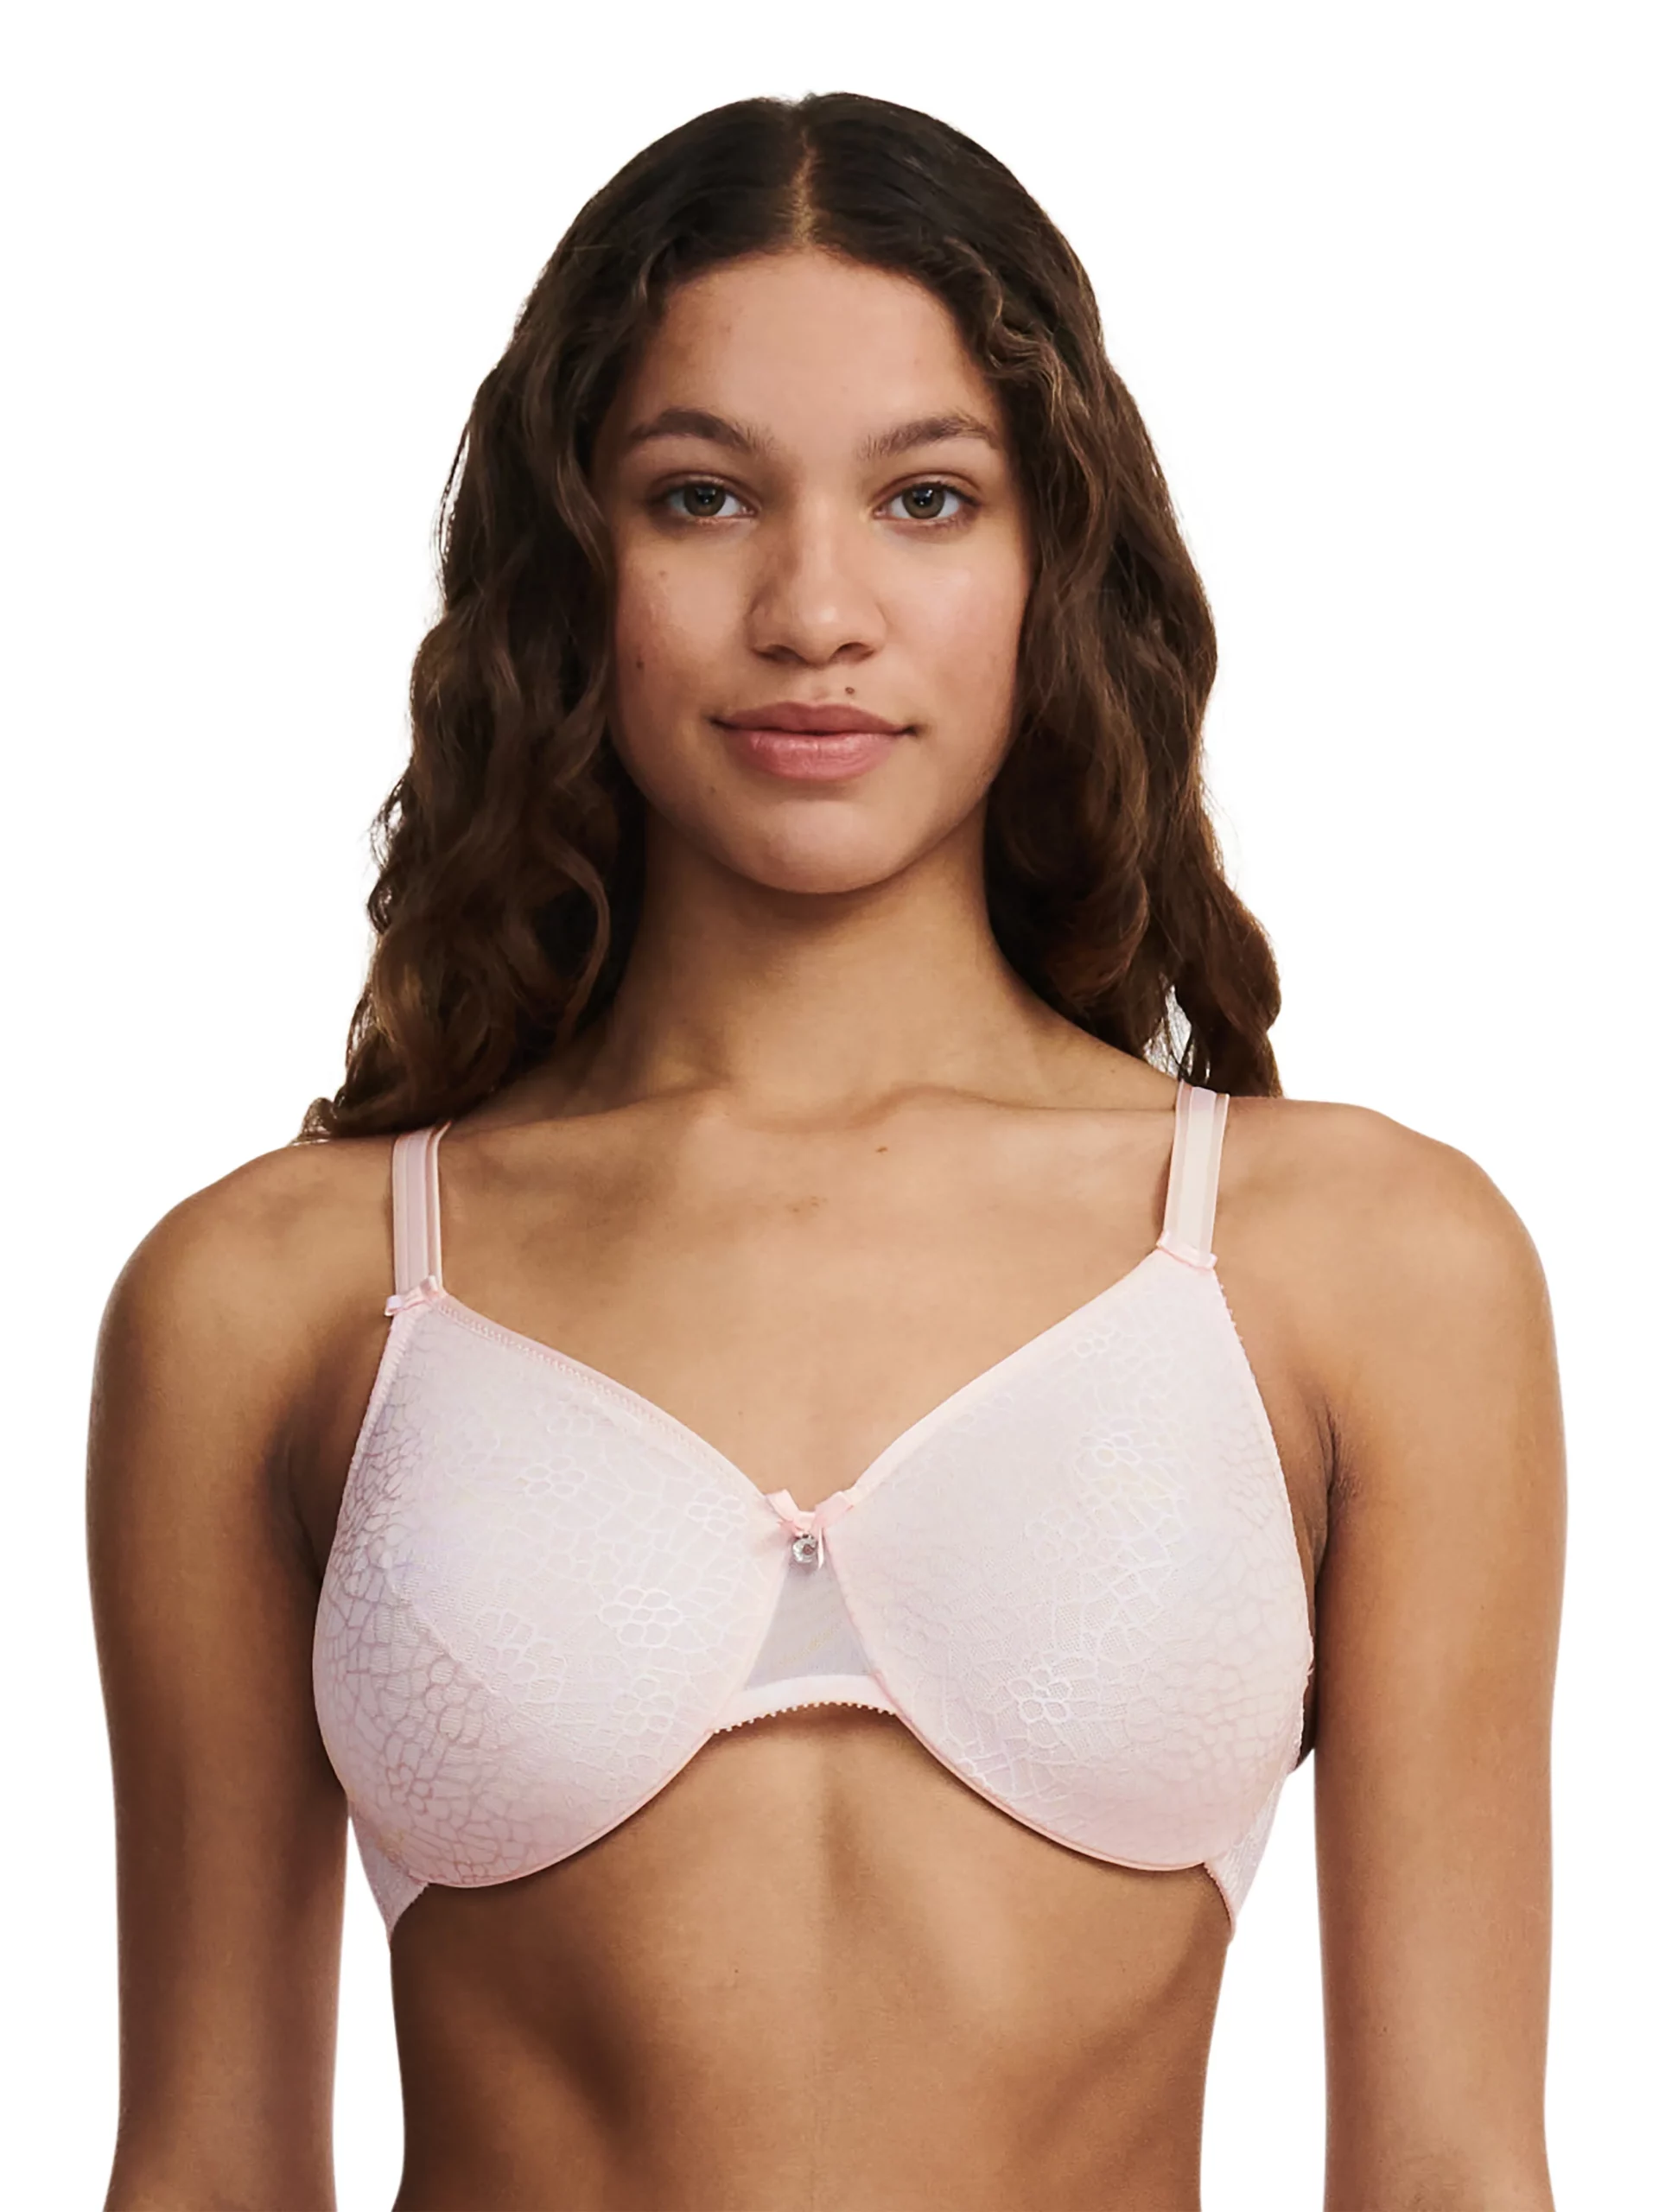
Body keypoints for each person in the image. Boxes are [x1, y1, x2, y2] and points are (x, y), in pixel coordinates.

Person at [88, 92, 1564, 2212]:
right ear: (570, 565)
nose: (813, 608)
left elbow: (1450, 2169)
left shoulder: (1365, 1266)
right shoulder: (274, 1296)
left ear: (1056, 560)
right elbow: (206, 2169)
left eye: (926, 498)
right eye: (701, 496)